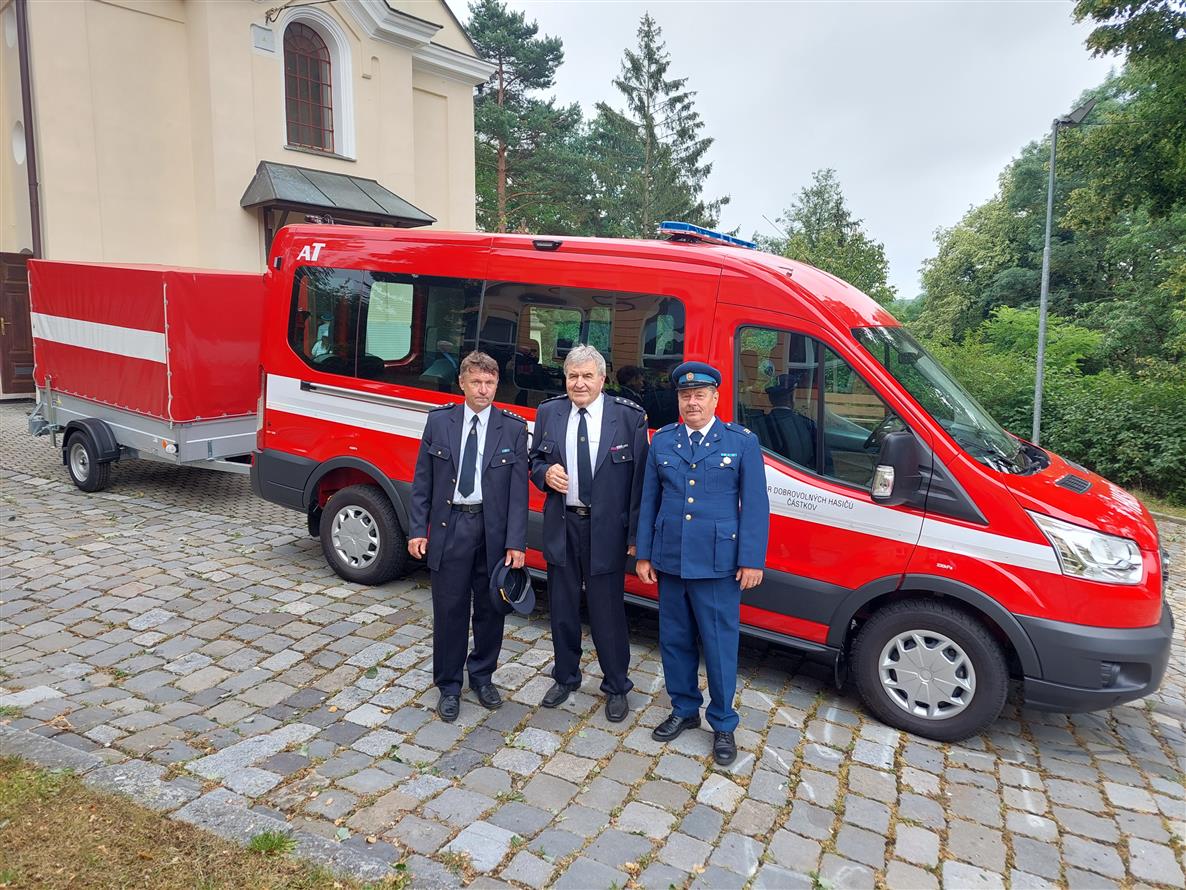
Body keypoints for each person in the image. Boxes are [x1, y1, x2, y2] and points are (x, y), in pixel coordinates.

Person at [634, 361, 770, 765]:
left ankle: (723, 722)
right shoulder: (663, 440)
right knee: (674, 640)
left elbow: (755, 505)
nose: (691, 402)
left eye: (699, 395)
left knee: (719, 645)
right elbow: (649, 500)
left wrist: (751, 560)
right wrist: (644, 553)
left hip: (718, 563)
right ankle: (684, 708)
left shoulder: (740, 442)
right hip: (671, 558)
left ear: (715, 398)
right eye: (685, 395)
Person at [529, 345, 649, 722]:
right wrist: (544, 474)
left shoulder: (628, 417)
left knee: (606, 612)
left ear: (602, 378)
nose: (579, 383)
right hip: (563, 524)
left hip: (607, 530)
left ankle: (616, 685)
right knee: (562, 608)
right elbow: (535, 460)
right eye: (572, 376)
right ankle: (565, 677)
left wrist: (636, 537)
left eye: (586, 376)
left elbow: (640, 484)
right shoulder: (549, 412)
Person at [408, 351, 528, 722]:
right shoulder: (439, 422)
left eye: (490, 383)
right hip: (451, 527)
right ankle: (448, 685)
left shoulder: (512, 428)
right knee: (450, 609)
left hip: (492, 531)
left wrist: (516, 542)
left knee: (492, 608)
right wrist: (418, 530)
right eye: (476, 382)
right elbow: (423, 480)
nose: (483, 389)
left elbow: (518, 493)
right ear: (462, 383)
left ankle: (482, 676)